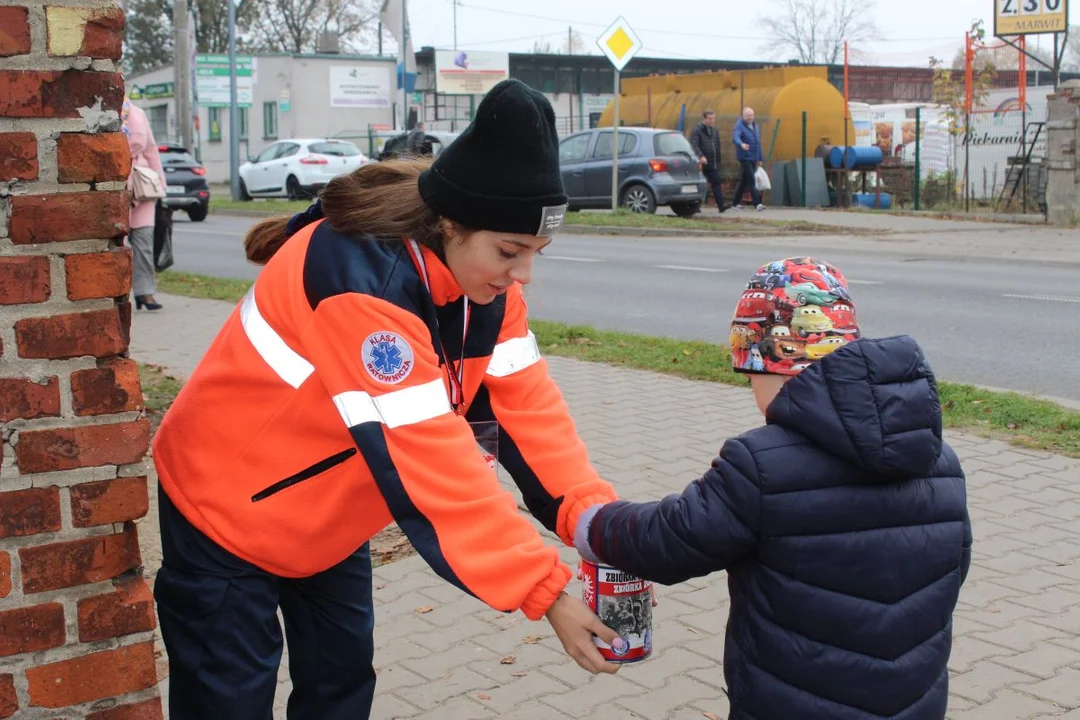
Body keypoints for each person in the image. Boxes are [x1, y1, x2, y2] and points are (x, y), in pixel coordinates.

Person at [152, 79, 622, 719]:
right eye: (509, 252)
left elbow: (529, 414)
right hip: (224, 511)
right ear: (450, 223)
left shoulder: (488, 292)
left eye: (537, 253)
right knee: (228, 700)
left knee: (341, 687)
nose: (523, 275)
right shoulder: (363, 286)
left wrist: (598, 523)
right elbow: (432, 460)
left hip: (327, 518)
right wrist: (548, 592)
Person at [574, 257, 972, 719]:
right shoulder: (938, 461)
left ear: (774, 364)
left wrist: (591, 522)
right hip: (913, 703)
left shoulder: (761, 465)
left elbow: (670, 539)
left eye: (751, 379)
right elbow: (953, 567)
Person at [121, 97, 166, 310]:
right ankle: (117, 293)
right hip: (115, 185)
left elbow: (151, 150)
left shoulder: (138, 114)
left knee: (144, 244)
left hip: (142, 186)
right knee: (115, 247)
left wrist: (160, 184)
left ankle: (145, 293)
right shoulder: (104, 111)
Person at [689, 109, 726, 212]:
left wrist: (718, 161)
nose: (712, 121)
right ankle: (695, 206)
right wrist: (700, 156)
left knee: (716, 181)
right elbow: (694, 144)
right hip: (700, 163)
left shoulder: (715, 130)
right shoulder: (697, 130)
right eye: (710, 118)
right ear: (704, 118)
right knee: (699, 185)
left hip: (711, 162)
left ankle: (721, 206)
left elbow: (717, 145)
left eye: (713, 118)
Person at [731, 107, 765, 211]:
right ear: (743, 116)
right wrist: (741, 144)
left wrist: (760, 158)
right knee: (751, 179)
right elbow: (735, 137)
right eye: (748, 115)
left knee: (744, 181)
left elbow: (758, 143)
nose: (750, 118)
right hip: (745, 157)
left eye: (751, 115)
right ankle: (757, 204)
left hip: (753, 157)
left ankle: (735, 203)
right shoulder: (739, 126)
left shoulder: (756, 126)